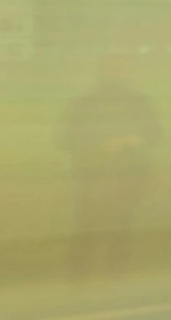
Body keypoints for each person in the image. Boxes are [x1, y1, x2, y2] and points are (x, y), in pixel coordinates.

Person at [61, 55, 163, 278]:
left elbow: (156, 134)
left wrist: (136, 139)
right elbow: (67, 139)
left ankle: (114, 278)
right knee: (88, 226)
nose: (116, 73)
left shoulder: (138, 102)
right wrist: (100, 145)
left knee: (121, 227)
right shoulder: (85, 103)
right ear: (101, 71)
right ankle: (82, 278)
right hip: (92, 175)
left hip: (126, 176)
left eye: (120, 69)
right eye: (111, 69)